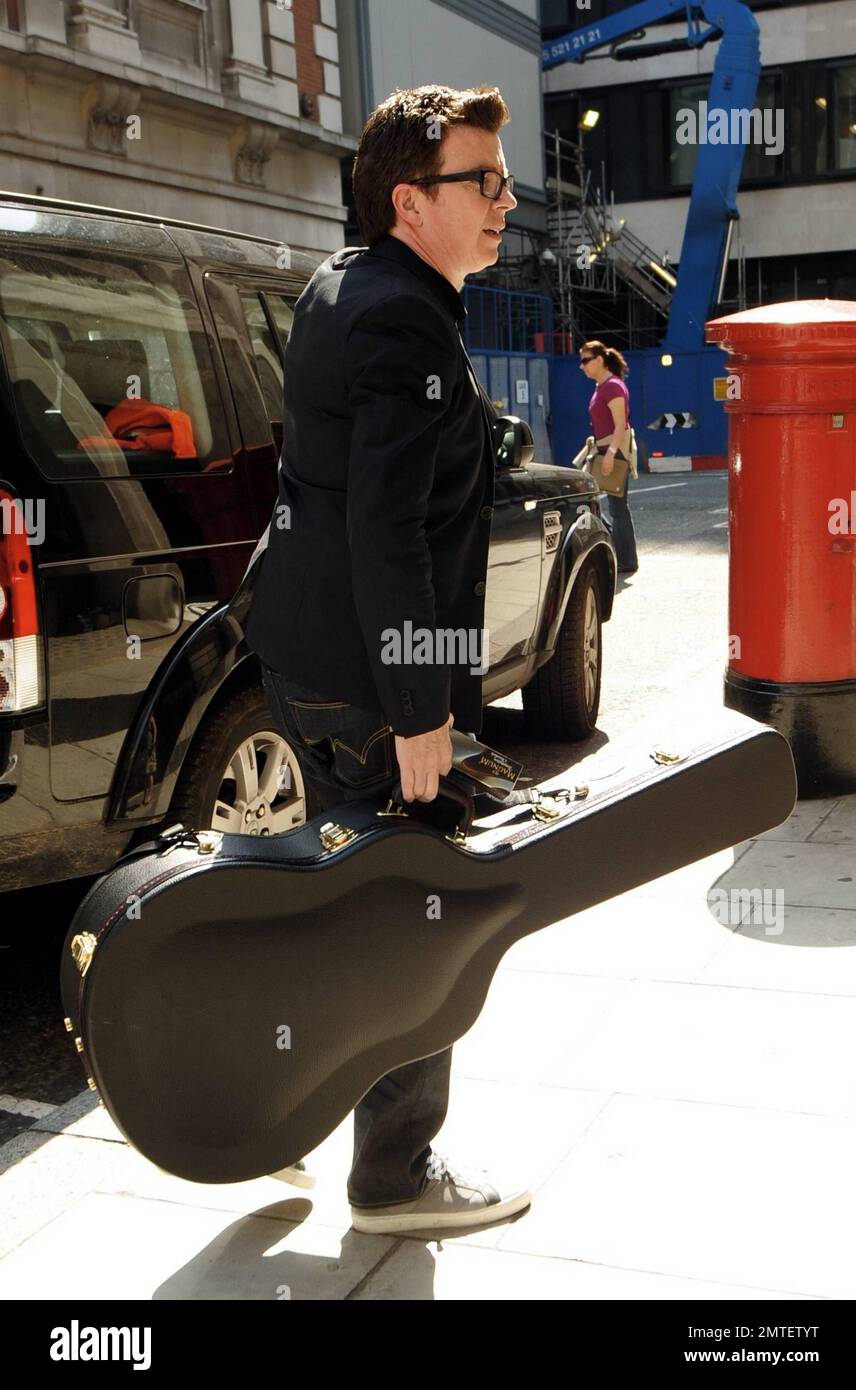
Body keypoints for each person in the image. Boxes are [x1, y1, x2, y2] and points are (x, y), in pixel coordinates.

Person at [244, 84, 532, 1236]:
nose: (505, 200)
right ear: (411, 201)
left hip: (308, 653)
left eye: (504, 179)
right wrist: (421, 711)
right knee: (417, 911)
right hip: (368, 678)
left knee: (331, 906)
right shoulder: (404, 317)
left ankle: (262, 1102)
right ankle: (394, 1178)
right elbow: (386, 527)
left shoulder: (348, 285)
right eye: (483, 181)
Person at [580, 340, 639, 574]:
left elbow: (620, 425)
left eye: (585, 360)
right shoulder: (601, 386)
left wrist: (611, 454)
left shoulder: (613, 386)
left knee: (617, 507)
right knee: (596, 502)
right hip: (603, 451)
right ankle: (618, 551)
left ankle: (626, 559)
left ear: (599, 360)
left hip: (613, 452)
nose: (582, 366)